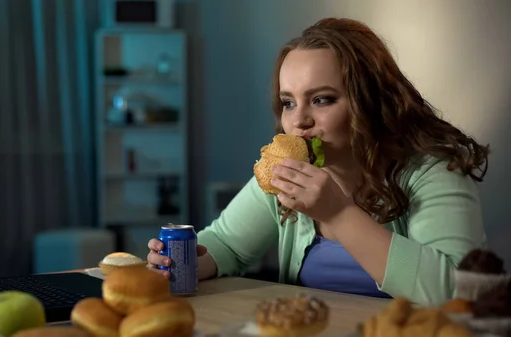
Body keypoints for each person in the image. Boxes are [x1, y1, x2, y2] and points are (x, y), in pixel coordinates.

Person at [146, 17, 489, 306]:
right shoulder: (287, 172)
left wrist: (337, 213)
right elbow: (227, 245)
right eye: (289, 103)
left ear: (369, 102)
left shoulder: (433, 170)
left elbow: (459, 292)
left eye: (322, 100)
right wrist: (184, 262)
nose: (299, 121)